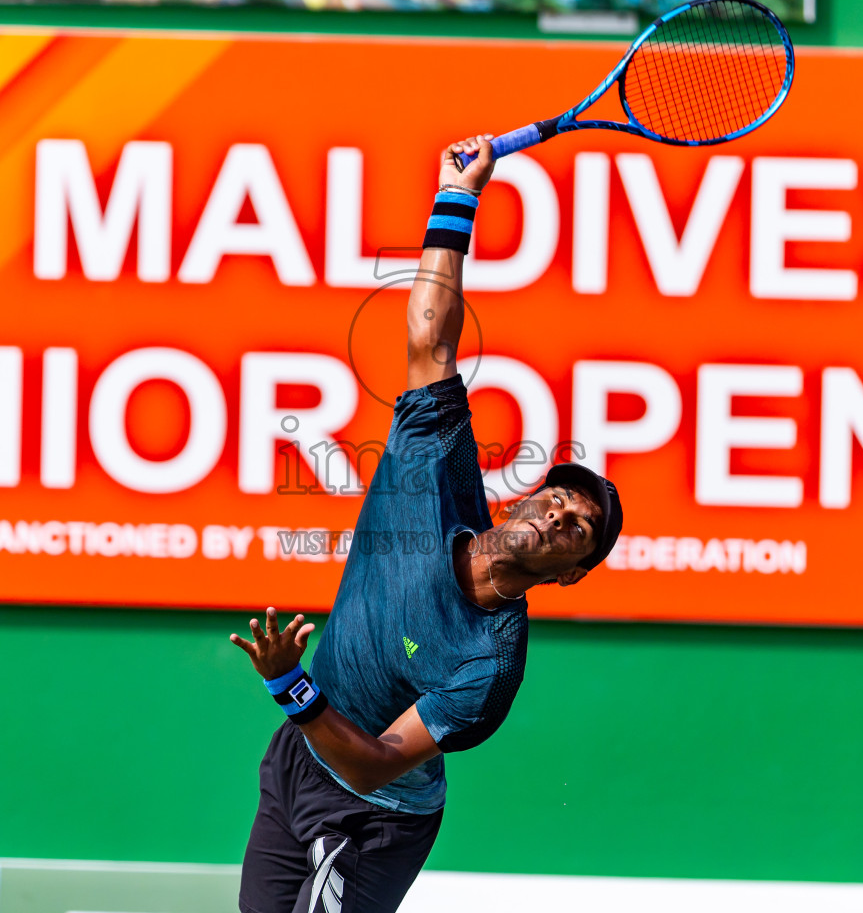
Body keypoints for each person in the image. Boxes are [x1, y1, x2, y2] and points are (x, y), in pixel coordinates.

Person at [231, 135, 624, 913]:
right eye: (557, 497)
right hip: (299, 759)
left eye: (578, 529)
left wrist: (288, 683)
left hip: (373, 814)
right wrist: (458, 198)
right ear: (520, 499)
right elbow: (429, 338)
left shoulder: (489, 665)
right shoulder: (432, 470)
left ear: (569, 573)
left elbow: (378, 762)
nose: (558, 515)